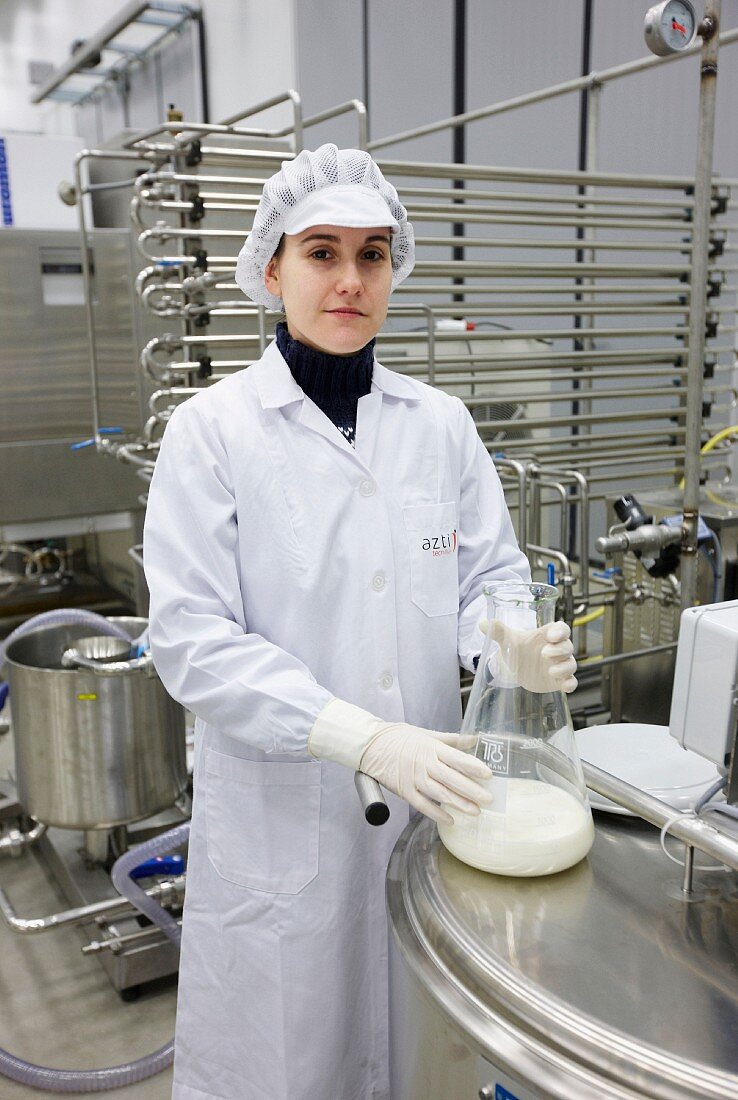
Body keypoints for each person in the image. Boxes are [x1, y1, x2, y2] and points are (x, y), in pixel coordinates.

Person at [143, 143, 577, 1100]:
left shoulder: (440, 425)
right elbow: (191, 640)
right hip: (284, 831)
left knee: (422, 1059)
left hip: (428, 819)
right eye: (322, 252)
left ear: (395, 270)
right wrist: (365, 737)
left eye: (372, 255)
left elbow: (489, 577)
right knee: (290, 1067)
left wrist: (508, 644)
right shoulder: (212, 432)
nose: (350, 280)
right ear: (272, 270)